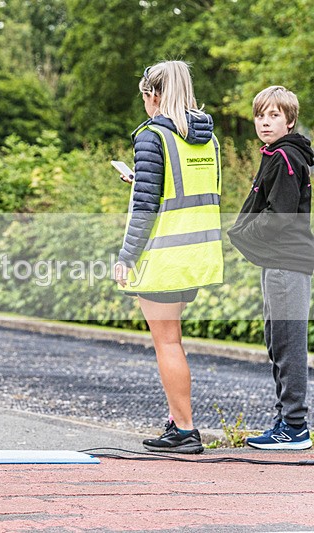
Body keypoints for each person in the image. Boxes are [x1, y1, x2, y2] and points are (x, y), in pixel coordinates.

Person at [115, 60, 223, 454]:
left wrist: (127, 256)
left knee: (168, 343)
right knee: (174, 340)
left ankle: (185, 428)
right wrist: (140, 178)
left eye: (144, 97)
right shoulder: (207, 138)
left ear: (152, 95)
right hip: (199, 252)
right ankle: (179, 421)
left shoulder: (151, 136)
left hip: (164, 254)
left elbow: (145, 208)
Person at [228, 86, 314, 450]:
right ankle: (285, 420)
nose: (265, 121)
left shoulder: (285, 158)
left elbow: (279, 215)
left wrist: (245, 230)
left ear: (290, 120)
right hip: (277, 263)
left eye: (274, 115)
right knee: (276, 340)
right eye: (261, 115)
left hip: (287, 263)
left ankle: (294, 426)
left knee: (288, 343)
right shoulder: (277, 155)